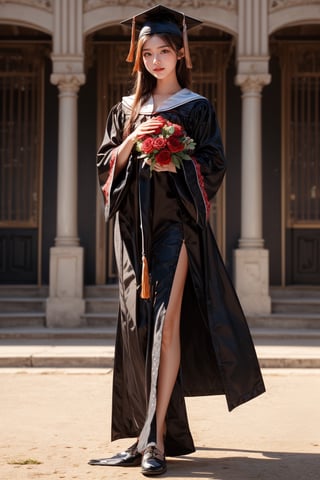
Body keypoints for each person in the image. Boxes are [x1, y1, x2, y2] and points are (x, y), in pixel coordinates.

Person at [89, 4, 265, 477]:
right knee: (137, 328)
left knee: (167, 324)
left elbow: (213, 165)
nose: (156, 60)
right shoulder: (124, 111)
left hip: (177, 230)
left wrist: (173, 160)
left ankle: (155, 442)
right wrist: (130, 144)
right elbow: (106, 168)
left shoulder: (196, 107)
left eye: (164, 50)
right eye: (147, 53)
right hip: (133, 235)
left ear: (180, 52)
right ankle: (144, 433)